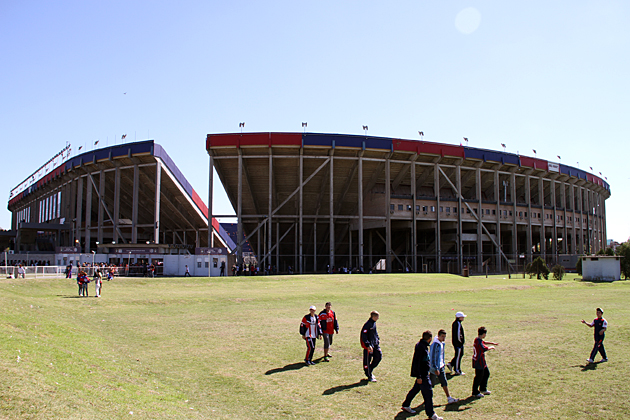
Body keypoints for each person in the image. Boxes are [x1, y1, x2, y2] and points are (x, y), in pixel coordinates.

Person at [401, 330, 443, 420]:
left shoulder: (422, 345)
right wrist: (419, 376)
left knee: (415, 389)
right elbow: (417, 363)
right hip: (423, 376)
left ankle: (406, 404)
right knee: (428, 394)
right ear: (430, 339)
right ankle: (431, 414)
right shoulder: (421, 347)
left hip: (423, 374)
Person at [430, 329, 459, 404]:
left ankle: (449, 398)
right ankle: (428, 399)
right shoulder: (434, 345)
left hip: (441, 366)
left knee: (444, 382)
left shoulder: (442, 344)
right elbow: (432, 357)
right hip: (434, 368)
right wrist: (435, 368)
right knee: (431, 384)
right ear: (438, 336)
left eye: (445, 337)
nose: (444, 338)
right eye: (442, 336)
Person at [472, 326, 498, 398]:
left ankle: (483, 389)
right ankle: (475, 392)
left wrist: (492, 343)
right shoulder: (479, 342)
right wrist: (491, 347)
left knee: (486, 373)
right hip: (479, 361)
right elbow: (484, 348)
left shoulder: (477, 339)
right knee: (478, 377)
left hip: (482, 361)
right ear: (483, 334)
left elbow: (484, 342)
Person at [360, 311, 382, 382]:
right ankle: (369, 375)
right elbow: (364, 336)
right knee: (367, 361)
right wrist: (368, 345)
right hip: (369, 347)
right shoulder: (367, 325)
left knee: (379, 356)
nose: (378, 318)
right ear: (374, 317)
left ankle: (370, 369)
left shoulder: (373, 323)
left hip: (375, 344)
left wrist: (378, 339)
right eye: (377, 317)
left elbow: (375, 333)